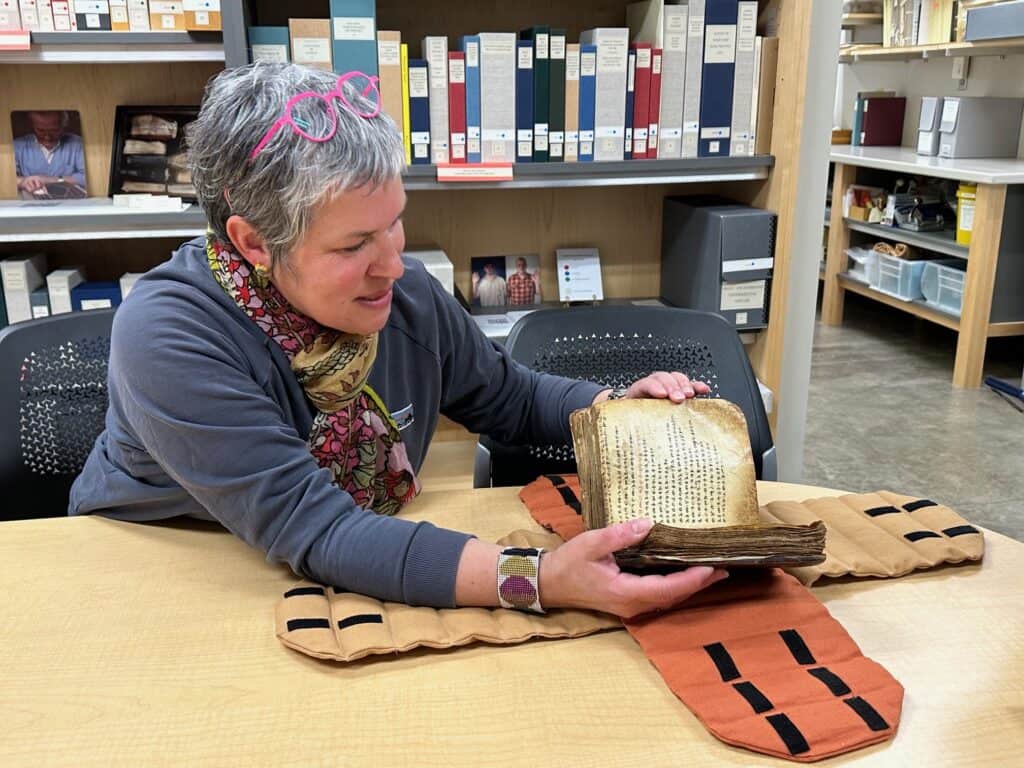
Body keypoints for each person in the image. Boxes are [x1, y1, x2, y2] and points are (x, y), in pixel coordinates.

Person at [70, 63, 724, 619]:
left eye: (394, 224)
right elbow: (318, 528)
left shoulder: (404, 292)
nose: (392, 263)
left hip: (338, 559)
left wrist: (614, 410)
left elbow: (510, 397)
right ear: (253, 243)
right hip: (158, 575)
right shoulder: (170, 333)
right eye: (354, 245)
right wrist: (540, 579)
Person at [14, 110, 87, 198]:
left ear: (63, 127)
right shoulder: (17, 146)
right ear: (32, 127)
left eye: (54, 130)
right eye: (40, 130)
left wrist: (49, 180)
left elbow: (87, 178)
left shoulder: (78, 144)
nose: (47, 137)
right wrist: (23, 181)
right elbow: (6, 178)